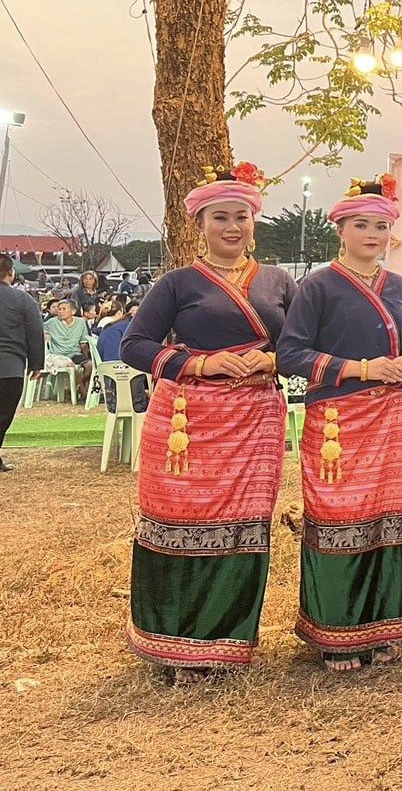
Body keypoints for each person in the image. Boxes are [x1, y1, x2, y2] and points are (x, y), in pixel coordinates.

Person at [120, 160, 295, 682]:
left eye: (242, 216)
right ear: (199, 224)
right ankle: (177, 642)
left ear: (253, 221)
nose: (232, 227)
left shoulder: (279, 281)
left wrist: (272, 359)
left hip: (256, 419)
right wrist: (202, 364)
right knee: (182, 525)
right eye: (220, 217)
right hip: (189, 421)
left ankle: (228, 641)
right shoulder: (177, 283)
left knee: (245, 528)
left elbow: (302, 346)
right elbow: (134, 345)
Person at [278, 174, 402, 673]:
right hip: (337, 422)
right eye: (361, 225)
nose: (373, 235)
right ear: (340, 230)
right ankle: (336, 632)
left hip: (386, 419)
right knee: (338, 521)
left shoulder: (398, 286)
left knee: (383, 521)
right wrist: (362, 368)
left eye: (381, 226)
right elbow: (290, 354)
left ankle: (381, 628)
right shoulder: (317, 286)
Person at [0, 253, 45, 473]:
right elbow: (35, 332)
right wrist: (37, 364)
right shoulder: (23, 299)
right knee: (3, 416)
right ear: (11, 272)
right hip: (11, 367)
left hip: (11, 365)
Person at [95, 298, 149, 413]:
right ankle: (140, 403)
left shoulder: (111, 327)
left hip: (107, 370)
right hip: (124, 369)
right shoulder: (130, 328)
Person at [43, 298, 92, 393]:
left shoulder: (81, 322)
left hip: (75, 354)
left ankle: (79, 383)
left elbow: (83, 342)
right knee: (70, 364)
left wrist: (85, 356)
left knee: (90, 365)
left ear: (73, 311)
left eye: (64, 309)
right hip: (58, 355)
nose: (60, 311)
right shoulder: (51, 323)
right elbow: (39, 330)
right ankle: (83, 392)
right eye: (59, 309)